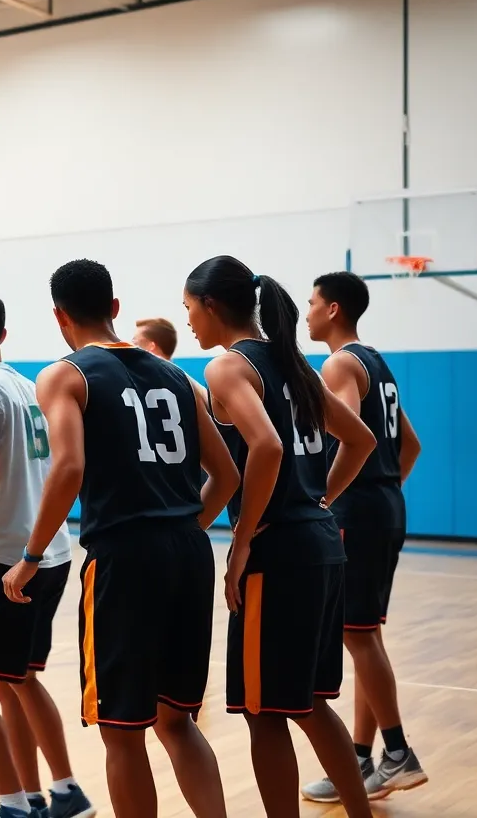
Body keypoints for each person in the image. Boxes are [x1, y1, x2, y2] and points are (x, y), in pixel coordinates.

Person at [4, 259, 240, 818]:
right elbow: (227, 476)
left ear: (59, 316)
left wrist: (31, 557)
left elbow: (66, 469)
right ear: (115, 307)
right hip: (188, 550)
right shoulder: (180, 378)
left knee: (121, 729)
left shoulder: (65, 375)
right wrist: (177, 531)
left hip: (125, 559)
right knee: (176, 720)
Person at [182, 255, 376, 817]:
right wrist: (320, 502)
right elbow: (360, 440)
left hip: (280, 552)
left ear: (213, 306)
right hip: (321, 543)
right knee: (311, 704)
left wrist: (241, 541)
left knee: (264, 714)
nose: (190, 320)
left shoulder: (229, 368)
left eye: (191, 308)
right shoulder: (292, 362)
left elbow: (266, 448)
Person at [0, 291, 95, 818]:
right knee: (17, 678)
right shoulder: (30, 386)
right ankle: (61, 792)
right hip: (47, 550)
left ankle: (13, 807)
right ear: (2, 335)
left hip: (1, 553)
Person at [302, 270, 427, 801]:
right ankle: (358, 759)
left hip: (359, 511)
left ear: (332, 309)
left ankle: (397, 752)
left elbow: (351, 434)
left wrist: (325, 497)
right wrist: (380, 492)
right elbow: (410, 447)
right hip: (384, 505)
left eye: (311, 303)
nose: (306, 312)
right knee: (363, 635)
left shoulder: (339, 363)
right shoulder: (377, 362)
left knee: (358, 636)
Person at [133, 316, 209, 408]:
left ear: (151, 346)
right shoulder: (188, 383)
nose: (132, 347)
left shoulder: (137, 381)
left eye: (135, 342)